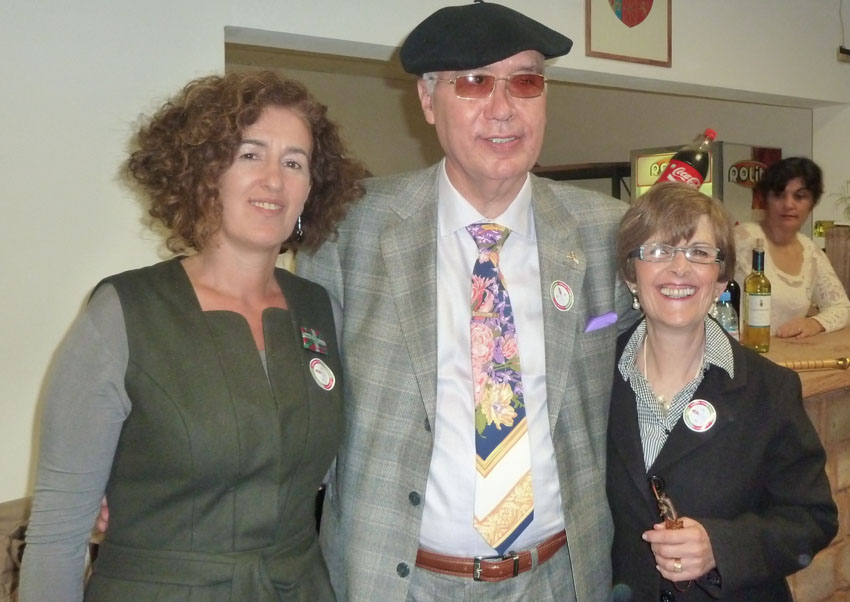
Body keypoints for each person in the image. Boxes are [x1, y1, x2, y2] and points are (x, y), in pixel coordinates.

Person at [296, 2, 636, 601]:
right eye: (474, 82)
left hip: (558, 579)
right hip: (400, 584)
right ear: (428, 102)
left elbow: (666, 355)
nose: (503, 108)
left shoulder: (606, 233)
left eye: (526, 82)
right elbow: (298, 398)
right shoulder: (350, 229)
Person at [20, 71, 365, 602]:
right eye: (250, 154)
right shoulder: (124, 312)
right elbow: (56, 536)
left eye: (294, 162)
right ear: (205, 173)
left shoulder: (318, 310)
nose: (274, 179)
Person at [608, 182, 837, 602]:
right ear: (630, 275)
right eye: (658, 251)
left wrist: (722, 545)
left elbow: (812, 517)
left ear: (720, 280)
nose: (680, 268)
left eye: (699, 252)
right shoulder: (597, 380)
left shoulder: (770, 389)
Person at [734, 156, 850, 338]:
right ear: (765, 200)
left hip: (787, 359)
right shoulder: (741, 239)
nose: (788, 204)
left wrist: (815, 322)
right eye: (779, 195)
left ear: (812, 203)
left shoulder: (811, 253)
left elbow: (841, 307)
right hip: (737, 357)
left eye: (800, 196)